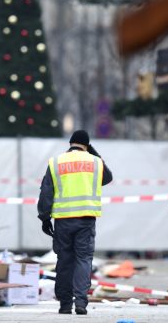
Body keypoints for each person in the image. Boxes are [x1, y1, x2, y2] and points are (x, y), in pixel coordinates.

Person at [38, 130, 113, 315]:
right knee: (83, 259)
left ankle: (64, 304)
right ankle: (80, 302)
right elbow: (108, 177)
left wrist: (44, 217)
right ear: (87, 145)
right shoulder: (96, 162)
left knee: (64, 260)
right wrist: (92, 151)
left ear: (70, 143)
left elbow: (46, 191)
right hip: (86, 219)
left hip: (63, 220)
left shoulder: (56, 162)